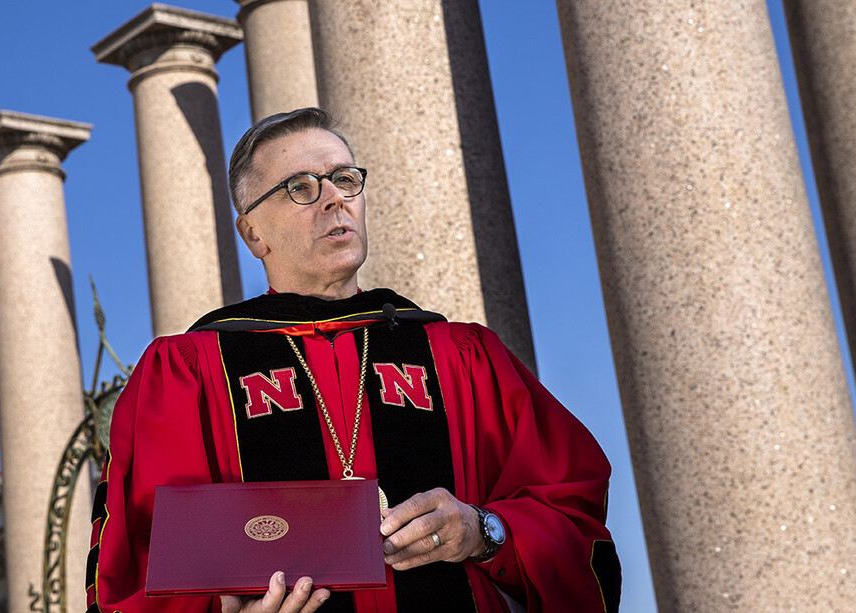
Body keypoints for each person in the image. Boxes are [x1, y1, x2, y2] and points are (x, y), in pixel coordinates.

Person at [87, 108, 621, 613]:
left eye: (345, 179)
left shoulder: (461, 355)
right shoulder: (189, 372)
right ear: (252, 232)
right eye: (301, 187)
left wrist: (484, 530)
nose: (334, 200)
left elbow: (572, 515)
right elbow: (131, 566)